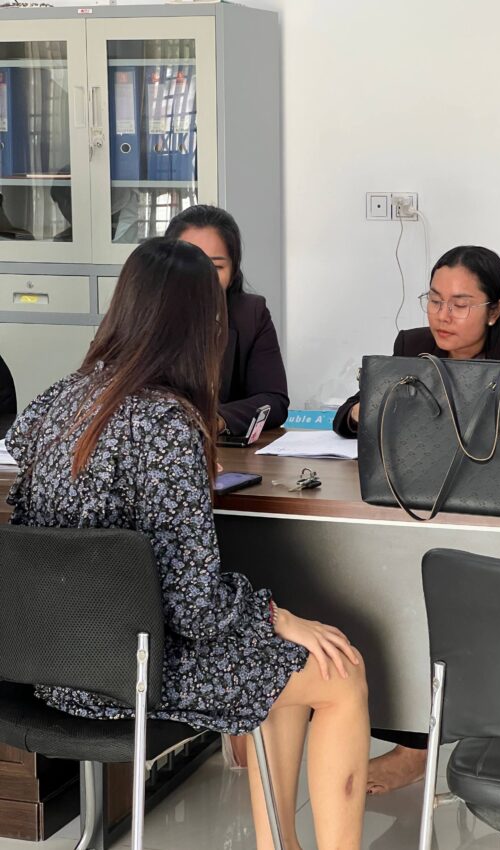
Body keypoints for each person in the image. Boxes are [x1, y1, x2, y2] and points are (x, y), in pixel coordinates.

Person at [5, 238, 370, 850]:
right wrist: (277, 615)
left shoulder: (60, 398)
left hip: (50, 665)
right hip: (131, 676)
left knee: (284, 663)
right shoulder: (166, 424)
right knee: (340, 669)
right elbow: (194, 609)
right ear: (206, 326)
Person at [333, 244, 500, 795]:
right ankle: (412, 740)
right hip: (427, 504)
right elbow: (348, 417)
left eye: (460, 304)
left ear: (494, 309)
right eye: (434, 299)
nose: (443, 315)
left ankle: (470, 734)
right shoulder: (410, 347)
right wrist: (363, 410)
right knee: (398, 595)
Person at [165, 205, 289, 436]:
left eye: (216, 266)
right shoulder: (141, 313)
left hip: (220, 450)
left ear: (233, 272)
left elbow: (274, 401)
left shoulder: (251, 314)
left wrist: (219, 420)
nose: (203, 277)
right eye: (189, 264)